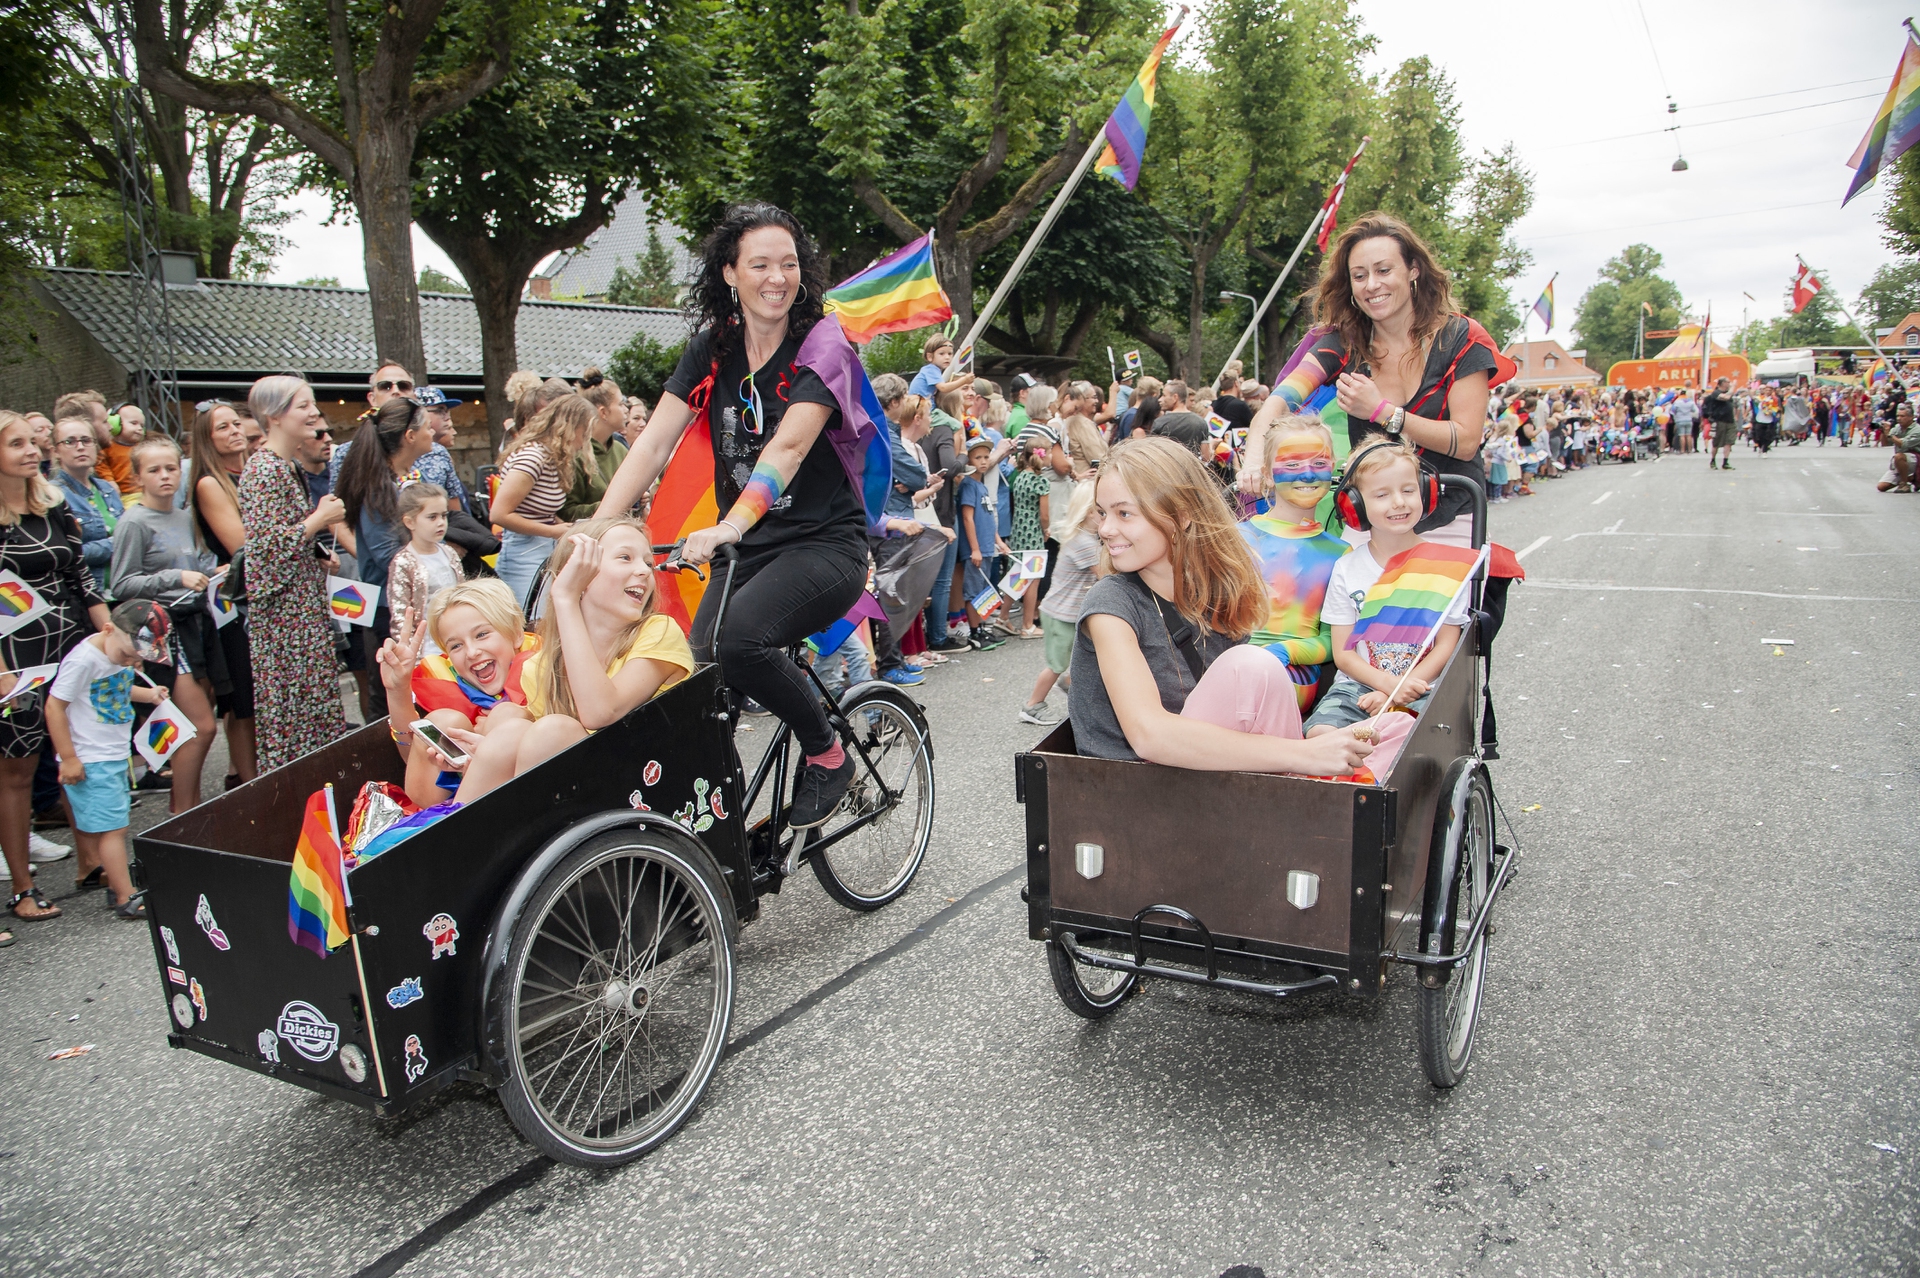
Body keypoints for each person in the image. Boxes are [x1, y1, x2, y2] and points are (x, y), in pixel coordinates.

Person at [593, 202, 895, 827]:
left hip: (823, 545)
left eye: (789, 264)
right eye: (759, 264)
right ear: (730, 273)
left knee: (738, 643)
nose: (776, 277)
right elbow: (652, 443)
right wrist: (596, 526)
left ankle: (830, 754)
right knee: (699, 676)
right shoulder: (712, 348)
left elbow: (787, 447)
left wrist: (731, 523)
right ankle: (715, 823)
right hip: (749, 553)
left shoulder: (824, 341)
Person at [1069, 438, 1379, 775]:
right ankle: (1301, 789)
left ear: (1182, 515)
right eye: (1103, 512)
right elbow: (1149, 735)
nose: (1105, 529)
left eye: (1124, 513)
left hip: (1198, 779)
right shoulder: (1110, 602)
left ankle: (1298, 793)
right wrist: (1303, 752)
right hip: (1132, 790)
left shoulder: (1210, 594)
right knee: (1251, 665)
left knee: (1261, 669)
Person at [1236, 213, 1511, 548]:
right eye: (1359, 275)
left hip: (1451, 518)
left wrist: (1382, 411)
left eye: (1384, 270)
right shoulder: (1342, 344)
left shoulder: (1461, 338)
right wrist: (1252, 462)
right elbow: (1277, 403)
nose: (1372, 285)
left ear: (1413, 270)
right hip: (1370, 523)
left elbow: (1466, 440)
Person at [420, 519, 692, 804]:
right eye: (625, 557)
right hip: (573, 789)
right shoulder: (540, 667)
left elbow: (601, 713)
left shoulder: (659, 631)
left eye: (649, 563)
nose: (643, 570)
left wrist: (565, 598)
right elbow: (526, 749)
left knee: (551, 731)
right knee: (509, 723)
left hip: (643, 780)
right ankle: (462, 835)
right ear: (578, 574)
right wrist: (487, 760)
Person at [1301, 437, 1467, 782]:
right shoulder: (1348, 569)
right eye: (1381, 495)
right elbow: (1344, 655)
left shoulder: (1447, 565)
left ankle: (1367, 773)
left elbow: (1448, 643)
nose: (1398, 503)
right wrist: (1385, 686)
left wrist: (1398, 690)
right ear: (1356, 506)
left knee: (1409, 735)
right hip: (1358, 686)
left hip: (1421, 688)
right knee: (1318, 735)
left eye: (1408, 490)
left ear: (1426, 492)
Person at [0, 411, 109, 927]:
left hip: (70, 643)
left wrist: (108, 638)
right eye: (14, 443)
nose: (29, 450)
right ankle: (23, 886)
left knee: (80, 752)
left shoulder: (53, 503)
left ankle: (93, 861)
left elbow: (82, 576)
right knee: (18, 771)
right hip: (14, 659)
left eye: (29, 441)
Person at [109, 437, 225, 812]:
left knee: (190, 727)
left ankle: (187, 807)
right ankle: (182, 812)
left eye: (171, 468)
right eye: (154, 470)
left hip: (199, 624)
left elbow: (200, 566)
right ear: (138, 475)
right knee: (201, 726)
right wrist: (175, 577)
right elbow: (122, 584)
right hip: (163, 633)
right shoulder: (133, 522)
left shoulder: (185, 515)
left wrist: (216, 573)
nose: (164, 476)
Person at [240, 376, 350, 771]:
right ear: (273, 416)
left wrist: (314, 552)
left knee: (314, 717)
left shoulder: (285, 467)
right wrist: (318, 520)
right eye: (302, 405)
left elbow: (279, 536)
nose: (313, 413)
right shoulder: (264, 470)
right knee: (295, 718)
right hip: (286, 627)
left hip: (301, 615)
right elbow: (262, 554)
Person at [46, 600, 176, 919]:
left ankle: (116, 884)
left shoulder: (115, 653)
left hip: (113, 754)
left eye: (138, 657)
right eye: (128, 655)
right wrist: (69, 758)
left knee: (115, 825)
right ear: (107, 629)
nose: (132, 661)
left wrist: (149, 695)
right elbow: (54, 706)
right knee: (113, 830)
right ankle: (125, 896)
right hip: (93, 757)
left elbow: (114, 689)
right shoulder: (83, 659)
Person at [377, 577, 536, 808]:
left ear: (516, 634)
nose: (472, 652)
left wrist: (491, 755)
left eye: (482, 634)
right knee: (443, 720)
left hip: (528, 799)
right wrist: (398, 689)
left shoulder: (543, 668)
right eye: (456, 646)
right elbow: (411, 758)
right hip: (445, 808)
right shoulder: (444, 684)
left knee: (507, 715)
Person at [334, 396, 439, 719]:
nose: (432, 430)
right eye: (425, 426)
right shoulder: (377, 487)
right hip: (388, 608)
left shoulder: (407, 478)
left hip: (415, 600)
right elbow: (383, 553)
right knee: (390, 694)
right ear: (410, 436)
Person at [1239, 417, 1350, 712]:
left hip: (1293, 676)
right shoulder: (1238, 539)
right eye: (1291, 465)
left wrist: (1286, 651)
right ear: (1268, 474)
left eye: (1318, 463)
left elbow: (1333, 641)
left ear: (1332, 469)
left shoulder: (1340, 552)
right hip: (1232, 663)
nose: (1307, 475)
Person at [186, 399, 258, 787]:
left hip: (260, 598)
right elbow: (243, 546)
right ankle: (247, 781)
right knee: (242, 701)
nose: (235, 432)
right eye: (223, 427)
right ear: (207, 438)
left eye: (236, 423)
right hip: (233, 604)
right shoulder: (210, 483)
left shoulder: (252, 472)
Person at [492, 393, 592, 608]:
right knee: (533, 620)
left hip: (542, 548)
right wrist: (554, 531)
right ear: (571, 427)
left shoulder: (551, 458)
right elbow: (499, 514)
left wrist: (562, 527)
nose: (585, 439)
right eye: (585, 431)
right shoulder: (532, 458)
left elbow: (539, 510)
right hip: (522, 553)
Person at [1022, 483, 1099, 725]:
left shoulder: (1085, 537)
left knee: (1086, 655)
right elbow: (1107, 574)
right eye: (1103, 512)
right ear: (1089, 512)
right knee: (1056, 664)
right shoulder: (1085, 544)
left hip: (1068, 613)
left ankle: (1072, 685)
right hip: (1060, 614)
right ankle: (1032, 705)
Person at [386, 483, 466, 654]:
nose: (440, 523)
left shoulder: (449, 553)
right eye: (432, 517)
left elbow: (462, 593)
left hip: (457, 641)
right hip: (427, 648)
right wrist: (410, 655)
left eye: (444, 516)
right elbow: (400, 617)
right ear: (410, 522)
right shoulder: (404, 561)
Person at [50, 414, 123, 593]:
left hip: (120, 590)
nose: (80, 447)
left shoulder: (107, 488)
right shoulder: (52, 495)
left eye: (86, 440)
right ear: (56, 451)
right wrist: (118, 543)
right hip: (85, 593)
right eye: (70, 442)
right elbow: (68, 554)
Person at [957, 437, 1010, 650]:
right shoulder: (968, 485)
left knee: (984, 591)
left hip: (989, 547)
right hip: (976, 550)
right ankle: (974, 632)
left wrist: (999, 542)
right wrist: (975, 549)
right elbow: (968, 518)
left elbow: (988, 518)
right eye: (977, 457)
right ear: (969, 460)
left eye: (986, 457)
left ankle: (982, 627)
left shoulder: (982, 486)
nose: (983, 461)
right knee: (973, 591)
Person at [563, 371, 631, 519]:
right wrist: (610, 507)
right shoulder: (577, 454)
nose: (626, 410)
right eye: (621, 404)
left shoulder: (621, 449)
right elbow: (566, 512)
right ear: (603, 412)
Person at [1007, 440, 1051, 637]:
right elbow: (1044, 515)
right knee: (1033, 580)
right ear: (1042, 455)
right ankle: (1027, 625)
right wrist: (1046, 529)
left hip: (1018, 531)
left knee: (1017, 575)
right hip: (1033, 533)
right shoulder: (1041, 481)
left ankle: (1003, 616)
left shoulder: (1020, 477)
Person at [1149, 380, 1208, 455]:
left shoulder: (1160, 422)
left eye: (1164, 395)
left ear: (1175, 397)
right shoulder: (1201, 422)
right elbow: (1206, 457)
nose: (1160, 399)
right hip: (1191, 465)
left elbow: (1152, 453)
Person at [909, 334, 969, 400]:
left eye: (950, 354)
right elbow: (944, 388)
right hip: (921, 406)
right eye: (941, 354)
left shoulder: (934, 370)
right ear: (930, 357)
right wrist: (964, 380)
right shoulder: (931, 370)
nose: (947, 357)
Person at [1703, 377, 1737, 470]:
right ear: (1722, 383)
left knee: (1729, 442)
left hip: (1730, 420)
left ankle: (1725, 461)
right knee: (1717, 442)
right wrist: (1732, 388)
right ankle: (1713, 460)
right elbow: (1725, 398)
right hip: (1719, 420)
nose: (1729, 383)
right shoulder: (1716, 393)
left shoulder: (1728, 393)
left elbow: (1731, 404)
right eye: (1727, 382)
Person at [1671, 385, 1699, 455]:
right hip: (1688, 419)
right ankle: (1689, 450)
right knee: (1689, 435)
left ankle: (1682, 450)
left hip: (1680, 420)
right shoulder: (1690, 401)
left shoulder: (1677, 402)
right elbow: (1694, 410)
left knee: (1682, 435)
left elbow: (1673, 411)